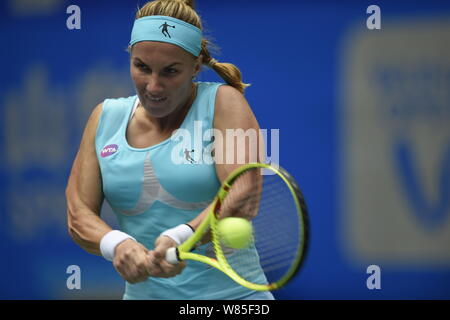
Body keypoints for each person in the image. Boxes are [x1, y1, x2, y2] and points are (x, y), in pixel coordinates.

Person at [66, 0, 274, 300]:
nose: (153, 85)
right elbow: (78, 213)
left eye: (170, 71)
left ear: (195, 66)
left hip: (235, 300)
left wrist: (182, 236)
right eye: (142, 67)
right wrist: (117, 244)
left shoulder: (224, 103)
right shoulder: (105, 118)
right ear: (130, 59)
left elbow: (244, 194)